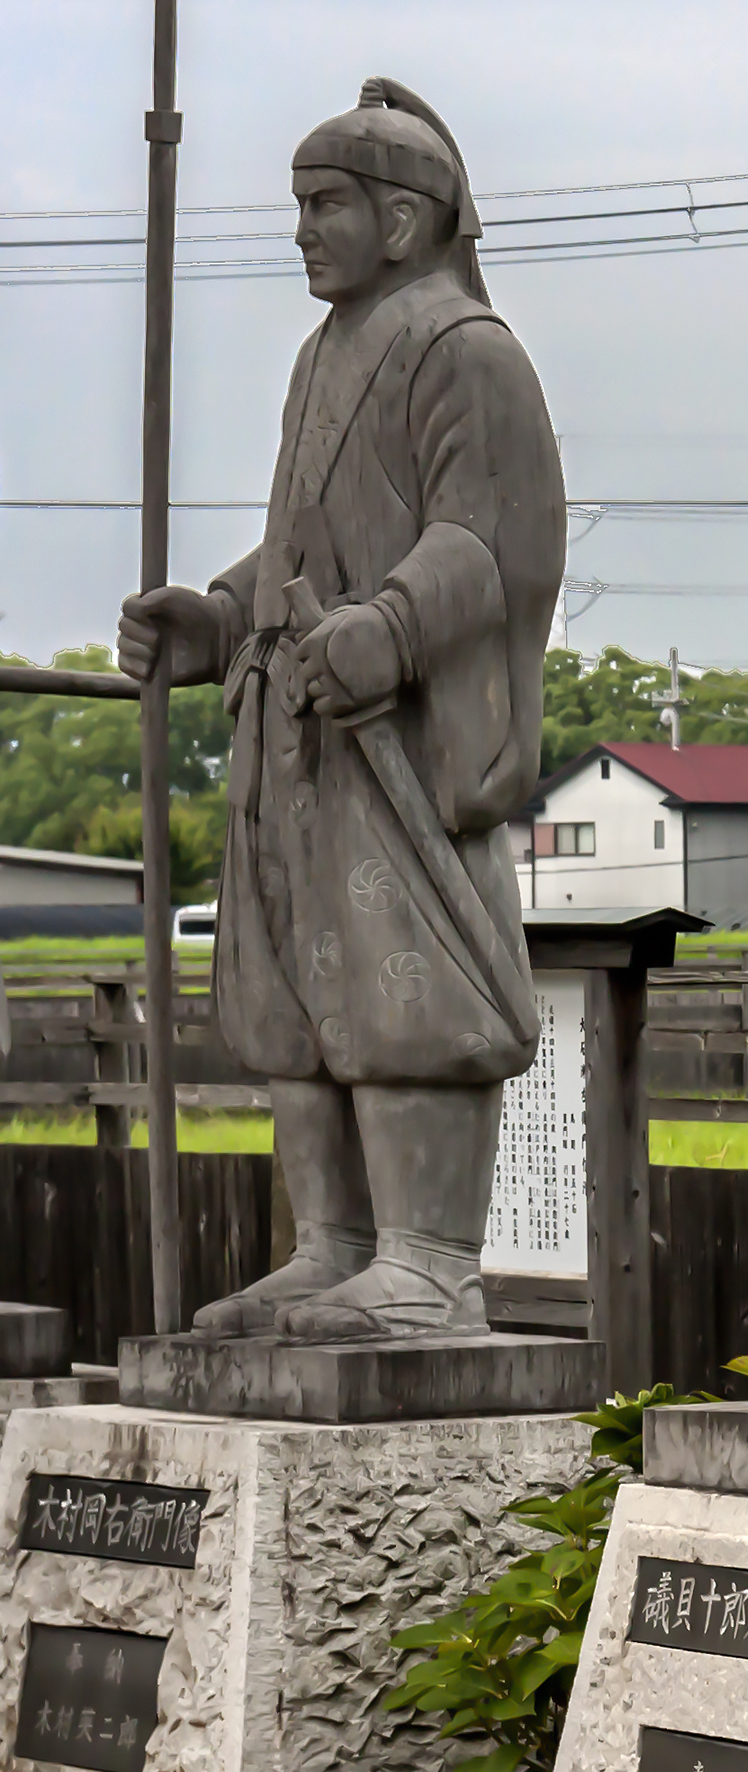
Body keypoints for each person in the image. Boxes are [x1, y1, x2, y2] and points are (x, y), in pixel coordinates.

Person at [118, 81, 562, 1342]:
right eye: (302, 205)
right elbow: (301, 543)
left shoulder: (464, 349)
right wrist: (213, 620)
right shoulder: (321, 359)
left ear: (408, 219)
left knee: (401, 986)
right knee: (294, 993)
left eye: (328, 205)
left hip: (395, 735)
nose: (304, 229)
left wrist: (392, 627)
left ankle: (430, 1257)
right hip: (294, 722)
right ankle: (333, 1243)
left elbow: (495, 540)